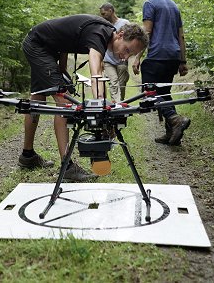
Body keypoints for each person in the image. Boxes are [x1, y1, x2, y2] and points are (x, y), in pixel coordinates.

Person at [19, 14, 148, 181]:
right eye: (127, 50)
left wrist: (62, 66)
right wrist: (100, 106)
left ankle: (27, 156)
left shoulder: (104, 33)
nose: (125, 57)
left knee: (38, 98)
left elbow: (65, 38)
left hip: (44, 45)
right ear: (121, 35)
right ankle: (67, 168)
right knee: (64, 103)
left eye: (130, 55)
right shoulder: (100, 34)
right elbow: (96, 73)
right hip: (39, 46)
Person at [132, 0, 190, 145]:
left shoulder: (150, 3)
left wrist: (137, 57)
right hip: (173, 55)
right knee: (164, 93)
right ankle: (172, 134)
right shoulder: (174, 5)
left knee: (149, 92)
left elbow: (146, 33)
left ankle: (174, 119)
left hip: (158, 54)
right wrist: (182, 61)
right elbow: (181, 37)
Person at [99, 3, 130, 102]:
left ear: (111, 11)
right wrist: (100, 60)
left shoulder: (125, 23)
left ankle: (120, 105)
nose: (102, 16)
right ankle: (115, 106)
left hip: (122, 60)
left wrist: (128, 54)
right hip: (108, 60)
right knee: (113, 82)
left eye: (104, 14)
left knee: (121, 84)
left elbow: (131, 40)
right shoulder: (103, 25)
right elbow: (100, 43)